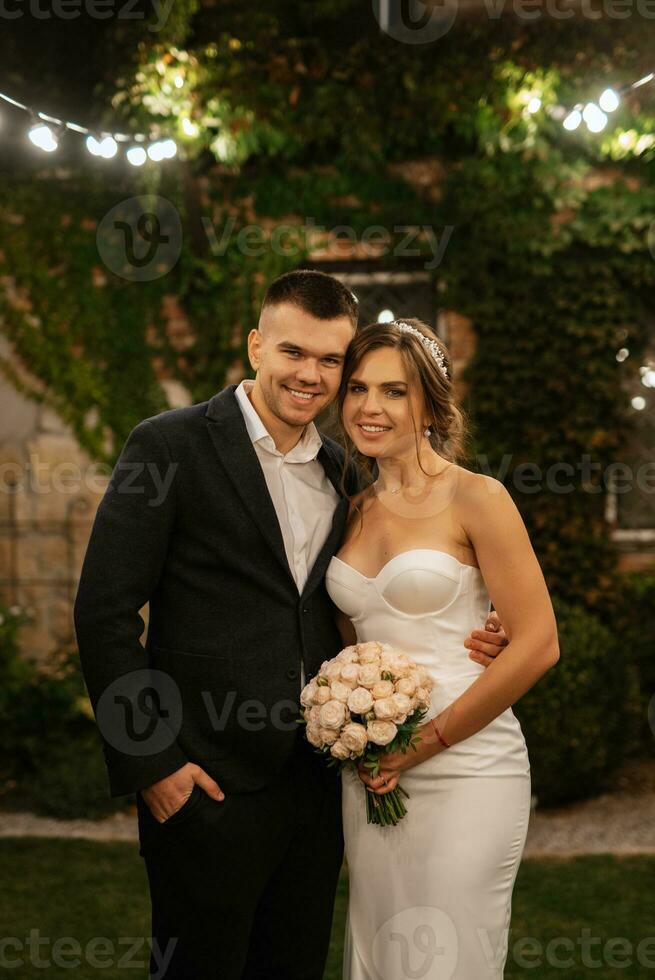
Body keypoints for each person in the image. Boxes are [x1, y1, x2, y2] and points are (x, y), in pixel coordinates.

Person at [74, 272, 509, 980]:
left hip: (316, 789)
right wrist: (152, 763)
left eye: (330, 360)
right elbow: (103, 611)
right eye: (293, 352)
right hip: (202, 781)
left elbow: (360, 603)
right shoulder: (168, 446)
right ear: (255, 346)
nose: (309, 374)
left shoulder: (346, 475)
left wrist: (471, 624)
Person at [325, 317, 559, 980]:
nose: (370, 407)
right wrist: (350, 722)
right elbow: (352, 635)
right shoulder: (353, 507)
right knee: (381, 950)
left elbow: (537, 643)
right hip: (371, 775)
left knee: (446, 957)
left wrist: (421, 743)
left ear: (429, 403)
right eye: (358, 389)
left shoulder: (477, 497)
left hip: (468, 769)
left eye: (393, 391)